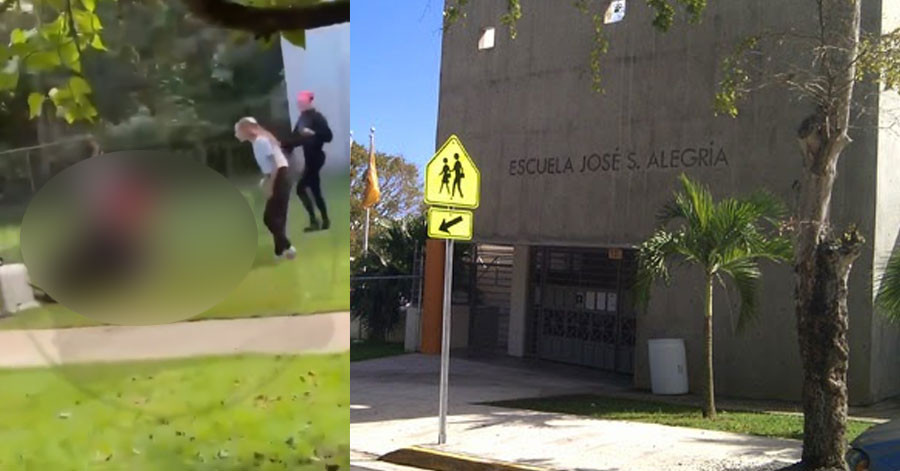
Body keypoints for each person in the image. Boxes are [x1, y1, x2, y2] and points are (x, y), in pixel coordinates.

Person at [235, 117, 296, 260]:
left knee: (270, 218)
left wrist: (270, 185)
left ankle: (287, 247)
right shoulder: (257, 143)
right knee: (277, 217)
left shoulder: (261, 142)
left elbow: (275, 165)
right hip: (278, 176)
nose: (236, 134)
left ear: (247, 129)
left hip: (280, 176)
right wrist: (266, 179)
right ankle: (279, 252)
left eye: (238, 130)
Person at [281, 91, 333, 232]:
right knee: (315, 191)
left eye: (302, 102)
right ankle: (324, 220)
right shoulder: (302, 119)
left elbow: (328, 136)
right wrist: (283, 145)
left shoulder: (317, 118)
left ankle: (315, 221)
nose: (300, 104)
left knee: (301, 188)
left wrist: (313, 133)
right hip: (309, 159)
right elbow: (295, 139)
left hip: (316, 158)